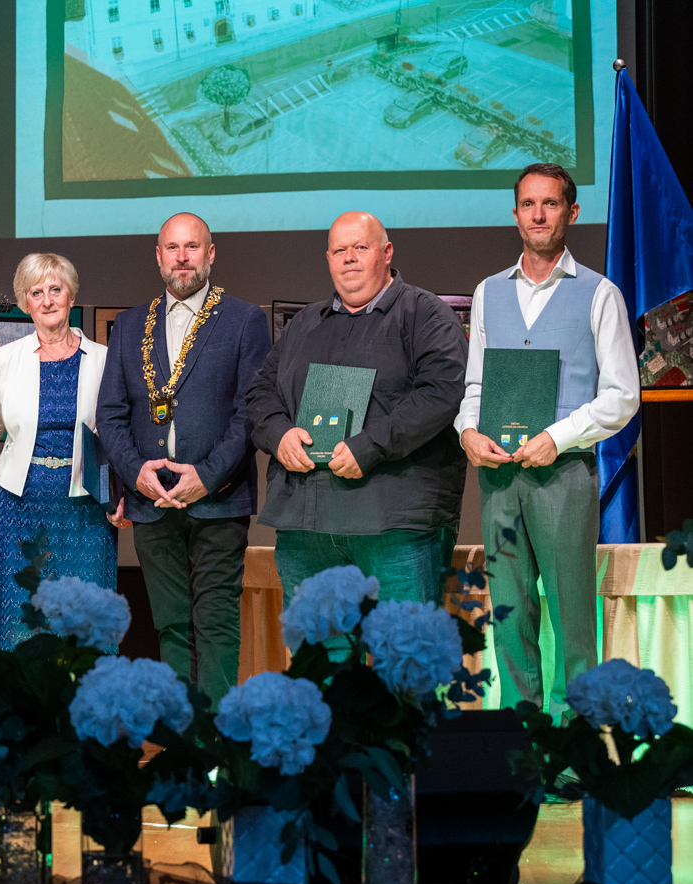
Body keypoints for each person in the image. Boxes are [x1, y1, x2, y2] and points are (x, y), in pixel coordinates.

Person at [455, 164, 638, 715]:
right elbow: (475, 385)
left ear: (571, 212)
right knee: (509, 619)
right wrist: (467, 431)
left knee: (572, 619)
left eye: (550, 203)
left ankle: (575, 740)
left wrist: (557, 437)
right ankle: (520, 737)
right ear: (515, 215)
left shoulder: (600, 293)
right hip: (500, 479)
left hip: (564, 477)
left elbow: (622, 396)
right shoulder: (488, 292)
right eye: (528, 204)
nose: (538, 214)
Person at [248, 211, 467, 613]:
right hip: (306, 527)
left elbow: (442, 392)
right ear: (328, 259)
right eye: (339, 251)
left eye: (360, 248)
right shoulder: (304, 323)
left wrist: (370, 446)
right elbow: (261, 391)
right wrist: (279, 435)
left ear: (387, 253)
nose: (348, 257)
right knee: (319, 651)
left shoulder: (427, 314)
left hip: (394, 527)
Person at [96, 213, 271, 706]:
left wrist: (207, 477)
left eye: (192, 247)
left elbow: (250, 413)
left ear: (210, 254)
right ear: (158, 256)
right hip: (151, 500)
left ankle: (214, 736)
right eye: (172, 248)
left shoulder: (244, 320)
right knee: (171, 625)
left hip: (218, 499)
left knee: (215, 622)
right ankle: (182, 733)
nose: (182, 257)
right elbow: (111, 413)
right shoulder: (130, 324)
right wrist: (136, 473)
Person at [0, 253, 115, 651]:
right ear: (24, 302)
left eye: (56, 289)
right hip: (18, 506)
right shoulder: (3, 360)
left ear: (71, 295)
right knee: (21, 614)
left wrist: (120, 496)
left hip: (85, 508)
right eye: (36, 292)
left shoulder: (104, 360)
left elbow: (115, 436)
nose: (47, 300)